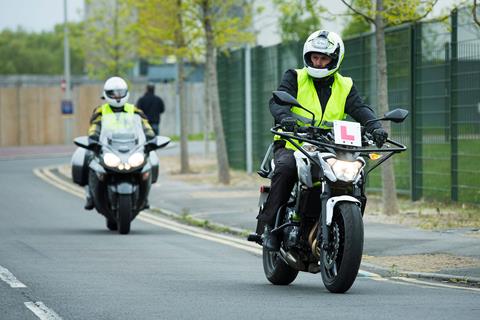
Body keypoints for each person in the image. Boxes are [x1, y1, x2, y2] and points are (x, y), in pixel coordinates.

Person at [256, 30, 388, 251]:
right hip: (295, 143)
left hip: (331, 146)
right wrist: (286, 118)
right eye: (314, 57)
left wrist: (375, 126)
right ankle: (270, 229)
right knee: (286, 168)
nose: (318, 63)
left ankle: (349, 230)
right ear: (308, 57)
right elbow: (277, 101)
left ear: (335, 59)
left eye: (324, 58)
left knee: (356, 176)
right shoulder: (295, 76)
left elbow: (360, 108)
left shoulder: (344, 85)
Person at [84, 76, 155, 210]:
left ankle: (144, 197)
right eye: (113, 93)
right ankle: (89, 194)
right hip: (107, 147)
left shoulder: (133, 110)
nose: (117, 96)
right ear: (106, 94)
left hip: (131, 146)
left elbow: (145, 125)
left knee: (151, 159)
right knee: (86, 156)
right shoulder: (100, 111)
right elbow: (95, 126)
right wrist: (92, 137)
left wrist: (151, 137)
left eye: (120, 92)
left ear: (126, 93)